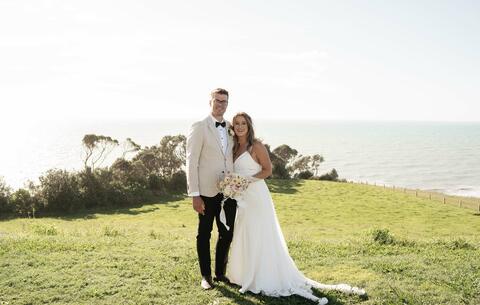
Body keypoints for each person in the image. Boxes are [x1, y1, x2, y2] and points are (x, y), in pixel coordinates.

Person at [226, 112, 366, 305]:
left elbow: (267, 170)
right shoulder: (234, 146)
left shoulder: (255, 146)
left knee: (259, 233)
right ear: (233, 126)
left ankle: (263, 276)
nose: (240, 126)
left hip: (257, 196)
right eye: (236, 123)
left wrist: (247, 181)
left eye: (243, 123)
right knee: (244, 232)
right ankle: (243, 275)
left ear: (249, 126)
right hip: (242, 198)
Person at [186, 88, 237, 290]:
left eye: (224, 102)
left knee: (227, 234)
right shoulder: (199, 126)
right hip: (206, 192)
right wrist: (195, 194)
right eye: (217, 101)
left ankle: (220, 273)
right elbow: (191, 161)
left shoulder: (231, 127)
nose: (220, 104)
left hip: (228, 191)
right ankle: (206, 276)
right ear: (210, 102)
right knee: (204, 233)